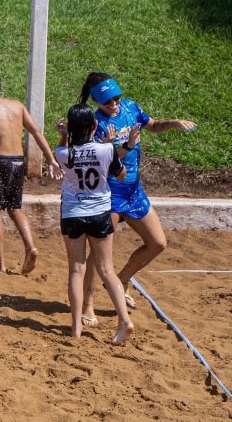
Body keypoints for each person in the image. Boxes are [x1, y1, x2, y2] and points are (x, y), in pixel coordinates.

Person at [78, 72, 197, 322]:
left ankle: (122, 279)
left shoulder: (131, 108)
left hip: (133, 190)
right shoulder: (94, 124)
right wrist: (129, 145)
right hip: (108, 194)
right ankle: (87, 304)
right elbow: (105, 159)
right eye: (108, 102)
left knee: (157, 243)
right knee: (99, 255)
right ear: (96, 102)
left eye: (117, 98)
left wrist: (172, 122)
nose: (114, 104)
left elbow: (152, 125)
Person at [54, 104, 134, 346]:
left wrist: (64, 134)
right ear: (95, 126)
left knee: (76, 271)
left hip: (72, 213)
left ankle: (76, 327)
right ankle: (124, 321)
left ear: (70, 127)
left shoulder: (62, 153)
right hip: (100, 213)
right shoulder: (106, 150)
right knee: (107, 270)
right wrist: (111, 144)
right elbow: (121, 176)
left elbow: (65, 149)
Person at [0, 71, 61, 274]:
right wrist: (51, 160)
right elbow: (37, 132)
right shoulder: (18, 106)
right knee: (15, 208)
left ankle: (0, 264)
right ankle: (30, 246)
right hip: (18, 163)